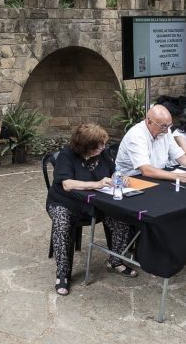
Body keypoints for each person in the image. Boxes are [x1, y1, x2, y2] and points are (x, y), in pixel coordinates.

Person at [46, 124, 138, 296]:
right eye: (99, 145)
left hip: (96, 201)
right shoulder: (67, 155)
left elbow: (113, 172)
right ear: (85, 147)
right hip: (65, 202)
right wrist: (96, 184)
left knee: (121, 216)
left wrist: (119, 178)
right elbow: (67, 184)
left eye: (104, 144)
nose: (104, 148)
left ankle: (116, 260)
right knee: (62, 223)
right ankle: (63, 274)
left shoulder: (102, 153)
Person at [116, 104, 186, 182]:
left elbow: (180, 157)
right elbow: (146, 170)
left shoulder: (166, 132)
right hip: (132, 180)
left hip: (157, 176)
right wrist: (180, 177)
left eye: (169, 126)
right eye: (163, 126)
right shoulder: (136, 135)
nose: (167, 131)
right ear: (149, 122)